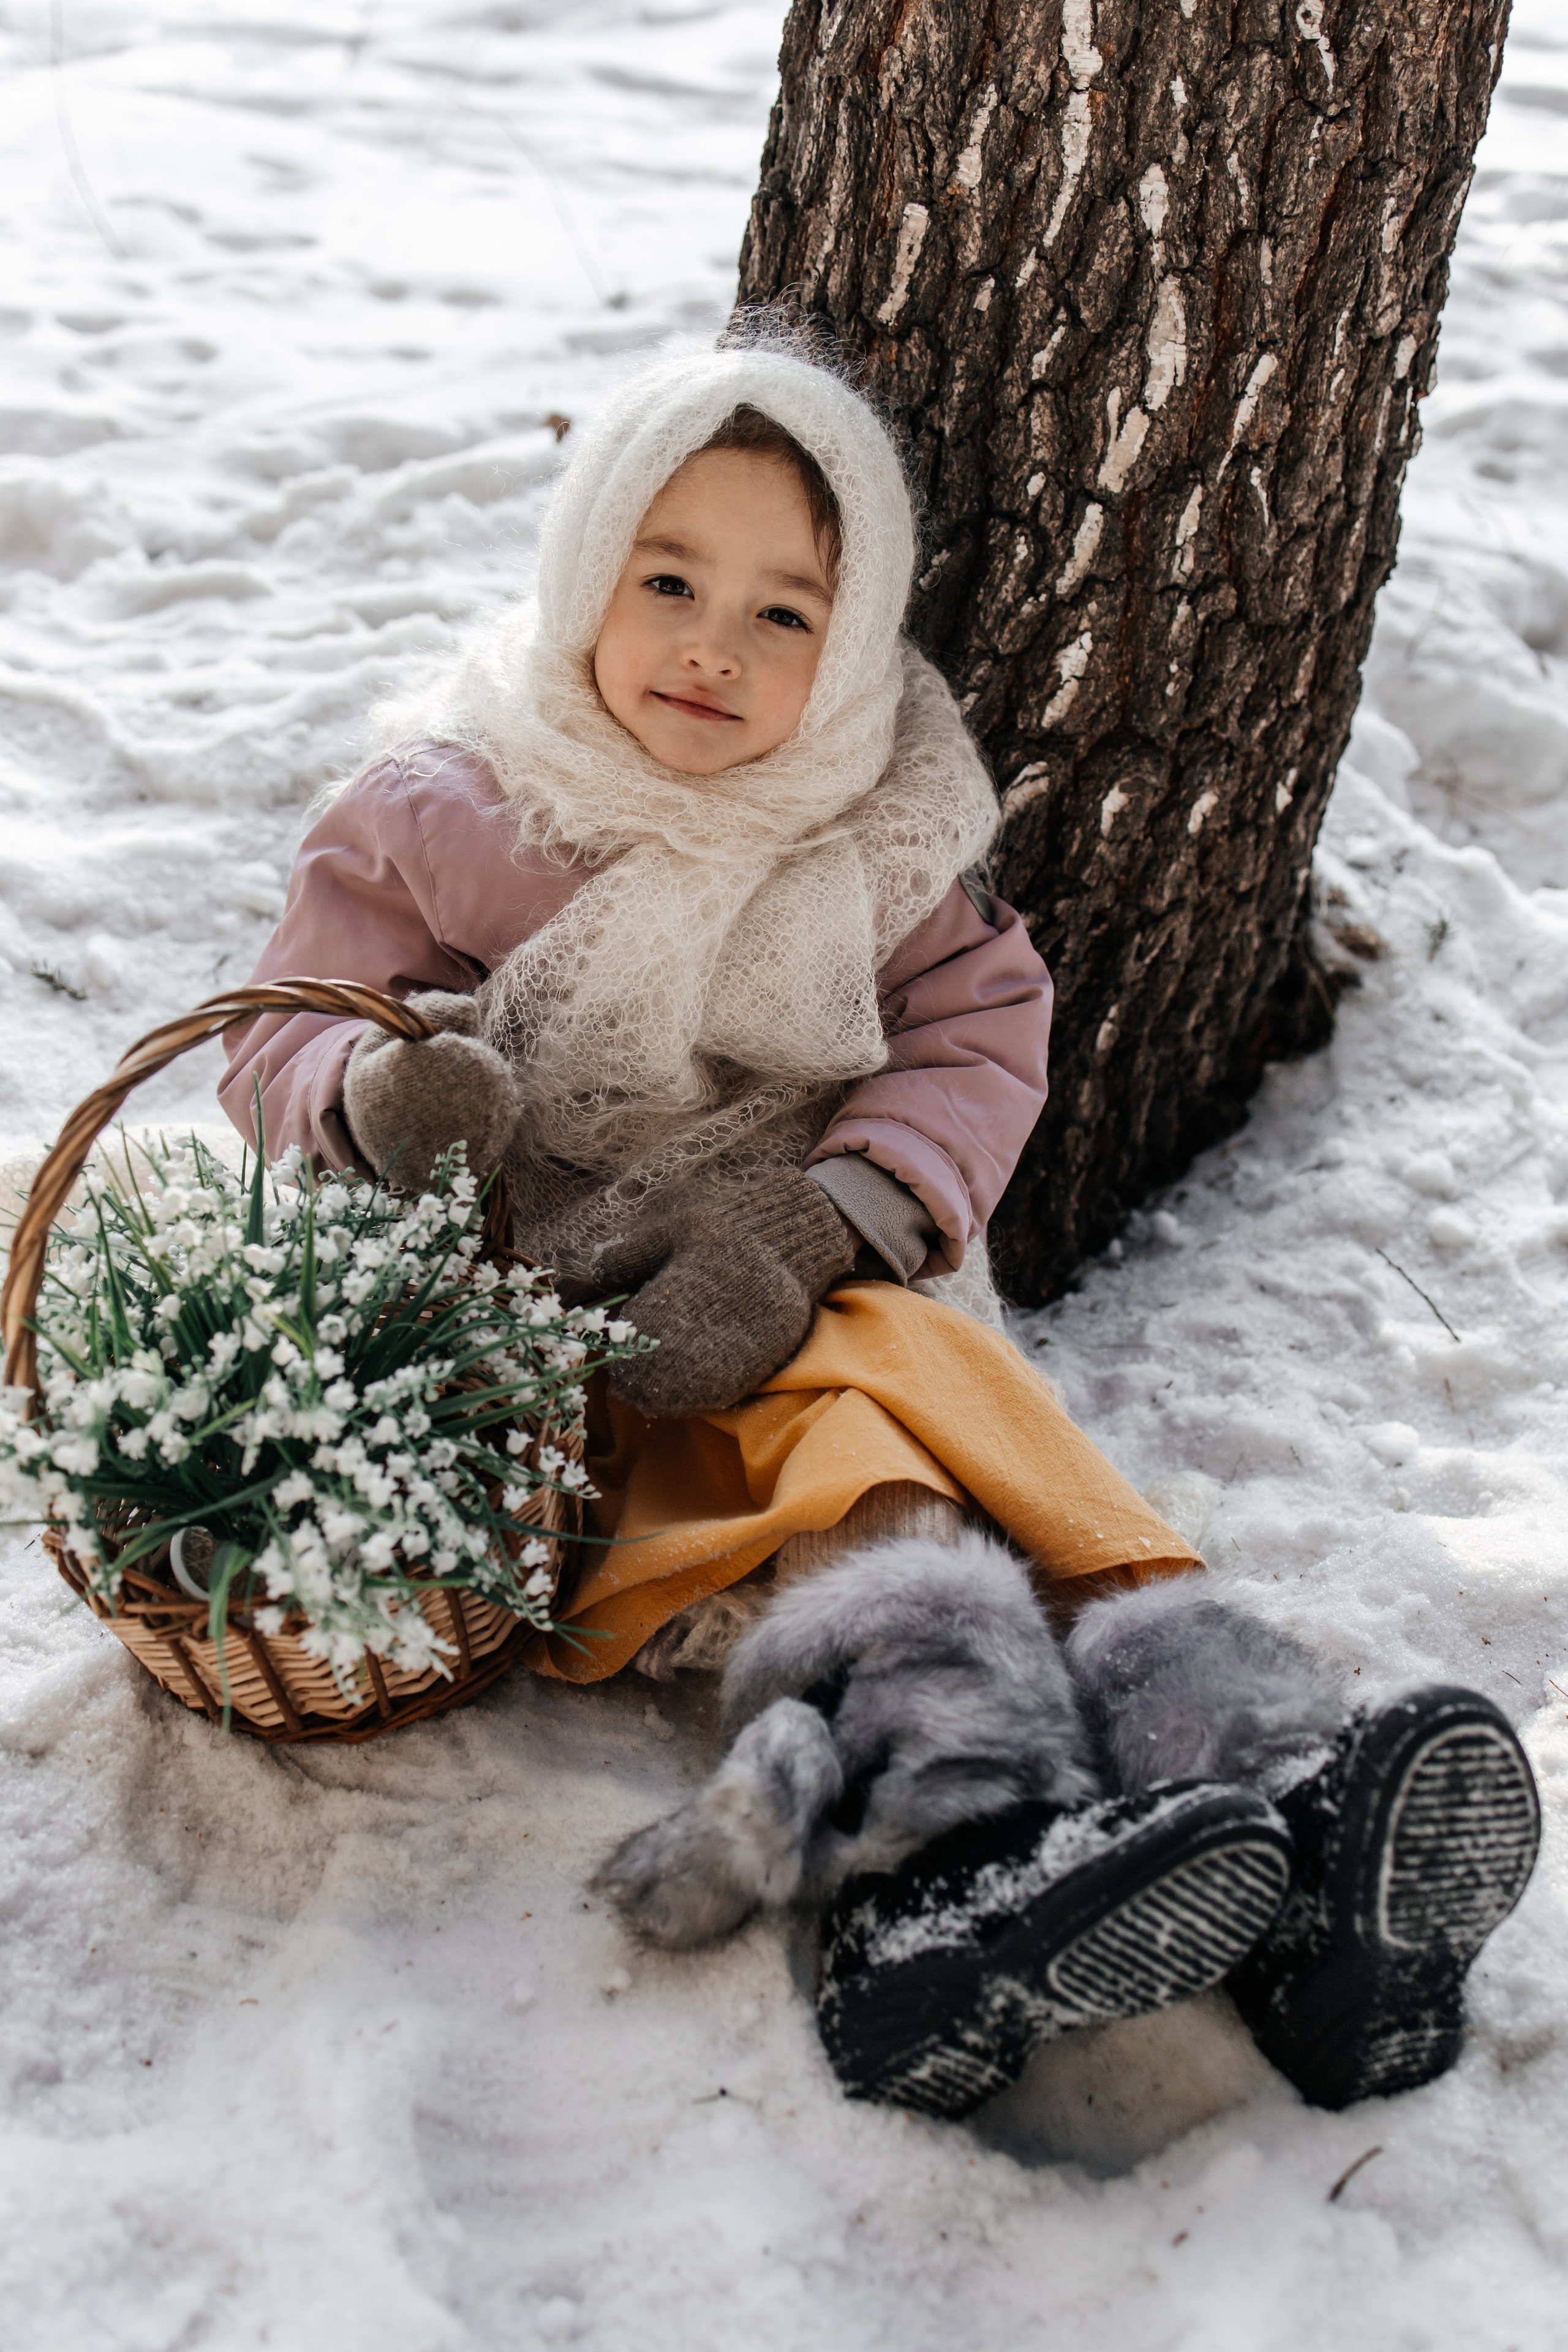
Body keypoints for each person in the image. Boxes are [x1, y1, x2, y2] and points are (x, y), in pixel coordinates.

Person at [221, 332, 1539, 2121]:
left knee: (938, 1399)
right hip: (574, 1313)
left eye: (786, 617)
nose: (714, 643)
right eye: (667, 578)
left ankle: (1283, 1826)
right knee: (887, 1467)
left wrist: (826, 1216)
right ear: (580, 570)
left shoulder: (877, 822)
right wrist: (382, 1103)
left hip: (806, 1267)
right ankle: (942, 1871)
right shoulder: (452, 809)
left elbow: (980, 1035)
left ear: (850, 652)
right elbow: (284, 1019)